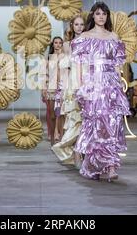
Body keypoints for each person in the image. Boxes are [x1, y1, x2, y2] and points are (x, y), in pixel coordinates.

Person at [71, 2, 131, 182]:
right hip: (93, 85)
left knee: (112, 123)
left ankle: (111, 166)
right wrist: (80, 86)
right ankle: (93, 164)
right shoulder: (85, 37)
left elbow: (120, 64)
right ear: (93, 16)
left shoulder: (114, 37)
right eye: (98, 13)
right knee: (95, 125)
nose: (101, 16)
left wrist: (119, 83)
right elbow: (79, 64)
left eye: (104, 13)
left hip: (111, 85)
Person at [52, 15, 85, 168]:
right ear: (72, 26)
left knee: (86, 120)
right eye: (76, 24)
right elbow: (63, 66)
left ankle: (82, 152)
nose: (79, 27)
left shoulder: (88, 42)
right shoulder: (67, 45)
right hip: (72, 84)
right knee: (75, 119)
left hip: (87, 82)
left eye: (82, 24)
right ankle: (75, 152)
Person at [42, 36, 64, 145]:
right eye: (56, 42)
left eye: (60, 43)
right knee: (52, 115)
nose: (58, 44)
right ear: (53, 44)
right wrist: (43, 88)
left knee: (60, 113)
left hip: (62, 87)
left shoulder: (65, 57)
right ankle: (52, 137)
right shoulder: (48, 58)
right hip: (51, 88)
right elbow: (44, 74)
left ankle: (59, 137)